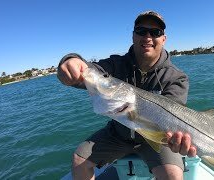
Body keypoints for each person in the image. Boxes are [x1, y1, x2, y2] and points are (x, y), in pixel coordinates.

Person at [57, 10, 197, 180]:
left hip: (158, 139)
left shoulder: (176, 77)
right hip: (119, 134)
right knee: (78, 160)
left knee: (173, 176)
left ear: (163, 39)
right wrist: (71, 60)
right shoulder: (116, 65)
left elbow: (173, 117)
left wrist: (178, 139)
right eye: (141, 31)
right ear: (133, 36)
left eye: (155, 32)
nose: (147, 37)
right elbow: (91, 72)